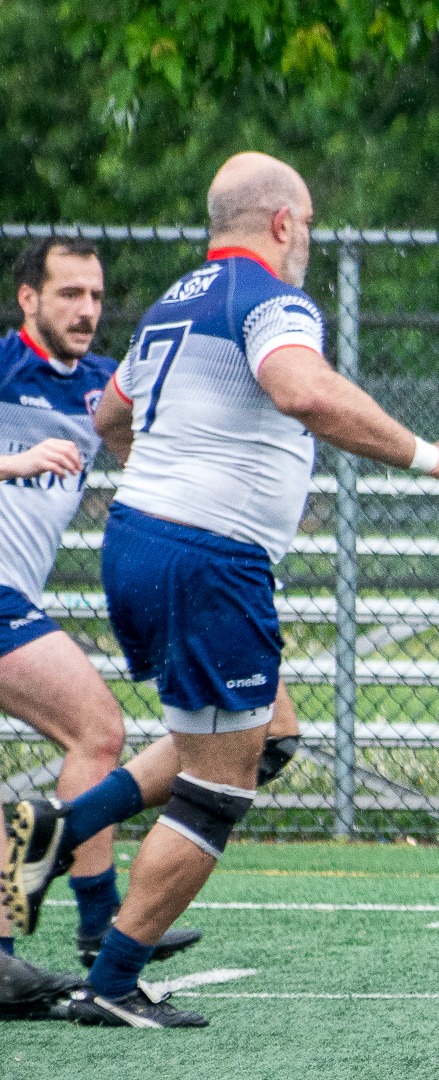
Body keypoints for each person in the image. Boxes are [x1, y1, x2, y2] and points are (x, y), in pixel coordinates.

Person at [6, 151, 439, 1029]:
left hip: (139, 541)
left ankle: (55, 830)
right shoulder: (272, 299)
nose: (307, 242)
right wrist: (434, 457)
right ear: (281, 223)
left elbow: (109, 418)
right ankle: (116, 978)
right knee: (221, 788)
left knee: (265, 731)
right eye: (307, 226)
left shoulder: (174, 301)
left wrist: (169, 480)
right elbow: (301, 390)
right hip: (208, 557)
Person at [0, 238, 203, 1007]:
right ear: (28, 300)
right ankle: (92, 923)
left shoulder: (99, 386)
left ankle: (77, 929)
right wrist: (12, 462)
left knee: (95, 736)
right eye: (68, 295)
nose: (87, 310)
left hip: (13, 592)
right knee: (96, 728)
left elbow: (144, 443)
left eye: (95, 295)